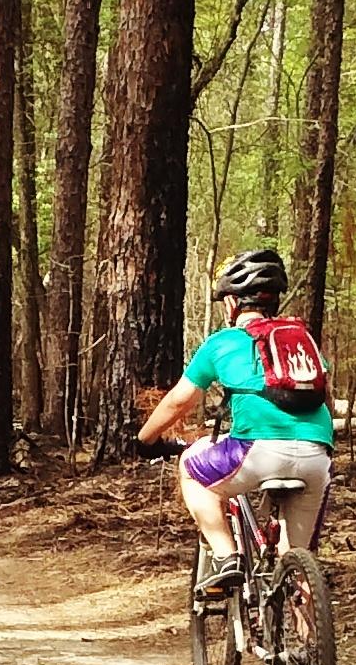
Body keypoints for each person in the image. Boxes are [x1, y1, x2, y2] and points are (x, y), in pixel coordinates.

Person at [134, 249, 334, 594]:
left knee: (192, 469)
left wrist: (144, 439)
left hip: (256, 451)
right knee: (296, 566)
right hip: (318, 458)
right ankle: (310, 642)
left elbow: (179, 400)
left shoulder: (222, 343)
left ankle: (227, 559)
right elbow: (323, 395)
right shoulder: (301, 340)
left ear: (232, 303)